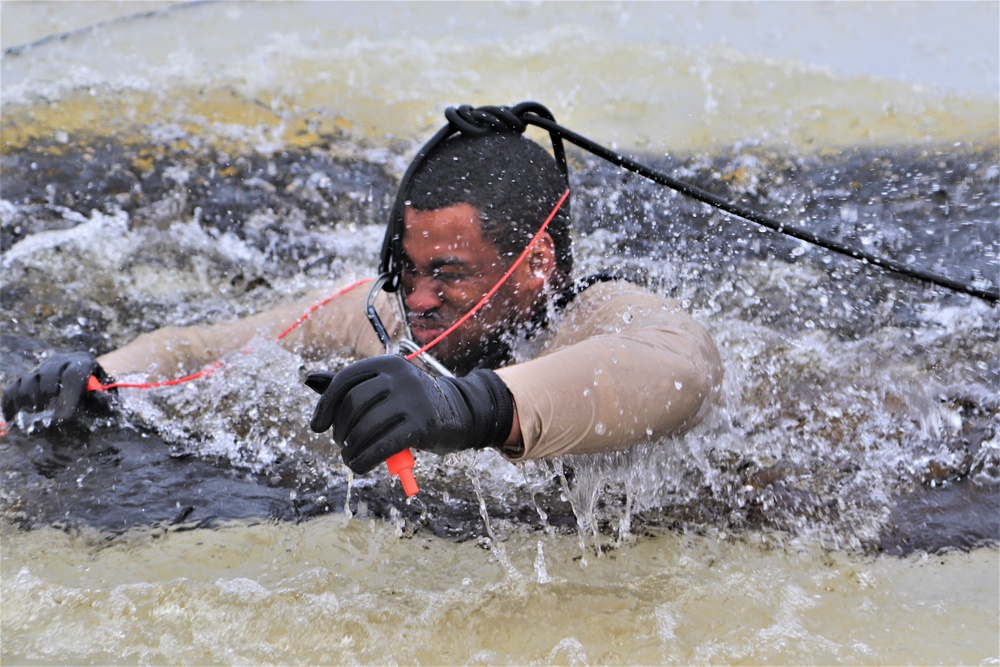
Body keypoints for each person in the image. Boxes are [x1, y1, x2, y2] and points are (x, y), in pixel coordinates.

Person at [2, 122, 723, 478]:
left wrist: (461, 408)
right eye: (406, 270)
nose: (419, 299)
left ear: (534, 263)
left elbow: (677, 371)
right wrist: (102, 371)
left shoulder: (607, 314)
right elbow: (205, 347)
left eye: (448, 272)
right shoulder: (383, 311)